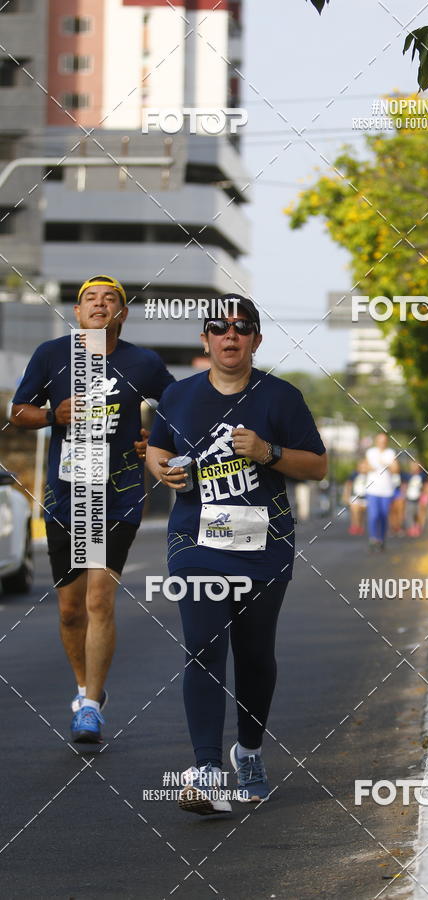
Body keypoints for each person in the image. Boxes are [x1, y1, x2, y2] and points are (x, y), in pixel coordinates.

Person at [146, 294, 327, 815]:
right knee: (203, 647)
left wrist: (268, 452)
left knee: (254, 655)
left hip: (263, 542)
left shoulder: (282, 397)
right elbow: (157, 446)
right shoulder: (178, 395)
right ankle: (206, 770)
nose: (231, 335)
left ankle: (248, 752)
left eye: (242, 328)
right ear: (205, 339)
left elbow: (317, 466)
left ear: (256, 340)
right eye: (220, 327)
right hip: (196, 541)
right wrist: (162, 469)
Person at [10, 275, 175, 743]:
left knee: (99, 599)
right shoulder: (51, 355)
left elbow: (178, 404)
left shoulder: (142, 362)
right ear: (78, 312)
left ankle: (88, 708)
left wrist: (155, 439)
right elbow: (17, 411)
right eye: (90, 299)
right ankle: (86, 690)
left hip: (118, 492)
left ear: (122, 313)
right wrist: (52, 415)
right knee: (70, 610)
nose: (100, 304)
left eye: (110, 299)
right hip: (66, 495)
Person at [364, 432, 399, 552]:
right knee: (373, 515)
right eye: (380, 441)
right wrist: (370, 467)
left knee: (383, 516)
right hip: (372, 489)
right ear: (376, 441)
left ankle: (382, 540)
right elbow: (364, 467)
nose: (382, 443)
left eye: (384, 441)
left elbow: (396, 469)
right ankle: (373, 539)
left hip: (386, 491)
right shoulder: (370, 452)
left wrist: (385, 464)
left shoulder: (390, 453)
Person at [403, 460, 428, 537]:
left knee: (418, 513)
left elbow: (427, 485)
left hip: (419, 498)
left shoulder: (423, 476)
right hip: (409, 498)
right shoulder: (407, 475)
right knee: (409, 513)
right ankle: (411, 527)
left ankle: (418, 527)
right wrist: (404, 495)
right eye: (412, 466)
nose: (414, 467)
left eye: (415, 466)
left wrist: (427, 496)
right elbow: (404, 486)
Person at [343, 459, 368, 535]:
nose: (363, 468)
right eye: (361, 466)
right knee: (355, 511)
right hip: (355, 496)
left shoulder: (370, 475)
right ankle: (355, 526)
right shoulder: (354, 474)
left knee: (361, 514)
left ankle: (360, 525)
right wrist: (346, 495)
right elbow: (348, 485)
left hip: (366, 497)